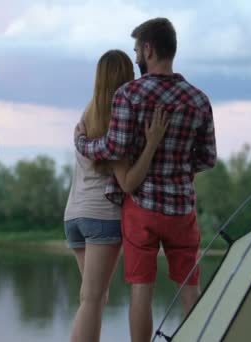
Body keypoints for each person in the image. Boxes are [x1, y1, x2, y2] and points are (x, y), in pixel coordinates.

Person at [74, 18, 217, 342]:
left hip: (142, 208)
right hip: (182, 210)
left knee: (142, 291)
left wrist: (83, 144)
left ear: (148, 50)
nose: (137, 56)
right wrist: (179, 171)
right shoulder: (198, 99)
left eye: (137, 50)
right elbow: (207, 158)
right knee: (189, 288)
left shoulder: (129, 95)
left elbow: (113, 148)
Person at [64, 49, 169, 342]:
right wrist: (151, 144)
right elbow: (127, 183)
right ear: (126, 78)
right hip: (102, 217)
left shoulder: (89, 112)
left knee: (93, 297)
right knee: (93, 299)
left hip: (74, 215)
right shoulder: (116, 119)